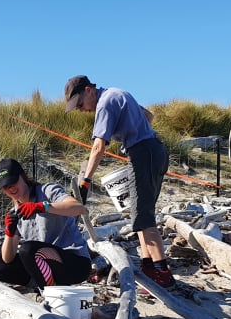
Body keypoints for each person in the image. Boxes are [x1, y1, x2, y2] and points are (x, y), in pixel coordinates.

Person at [63, 74, 175, 288]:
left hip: (143, 154)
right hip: (153, 151)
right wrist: (132, 131)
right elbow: (148, 116)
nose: (82, 110)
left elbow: (98, 147)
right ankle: (148, 266)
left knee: (144, 217)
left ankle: (163, 273)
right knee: (139, 213)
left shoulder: (104, 104)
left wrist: (86, 181)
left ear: (88, 90)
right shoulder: (117, 93)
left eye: (80, 104)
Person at [0, 158, 92, 289]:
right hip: (43, 264)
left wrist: (42, 207)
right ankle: (41, 285)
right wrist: (9, 232)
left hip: (75, 263)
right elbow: (7, 259)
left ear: (23, 176)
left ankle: (49, 292)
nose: (11, 188)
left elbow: (79, 208)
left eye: (13, 182)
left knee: (28, 250)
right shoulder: (16, 212)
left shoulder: (47, 191)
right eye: (6, 186)